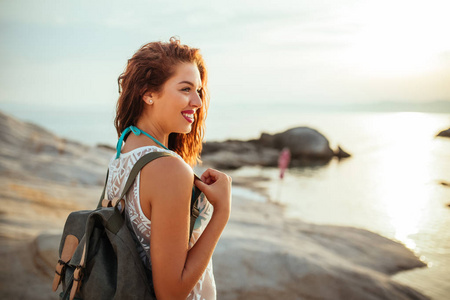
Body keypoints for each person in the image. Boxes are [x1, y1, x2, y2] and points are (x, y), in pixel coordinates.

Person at [105, 37, 232, 300]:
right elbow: (171, 293)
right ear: (148, 93)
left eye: (198, 91)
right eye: (185, 89)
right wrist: (222, 211)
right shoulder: (169, 169)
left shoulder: (124, 149)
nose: (197, 102)